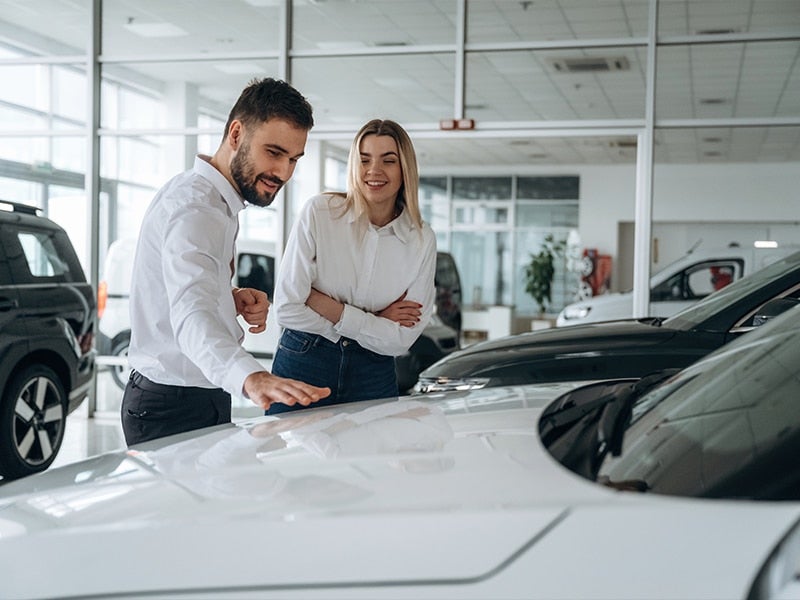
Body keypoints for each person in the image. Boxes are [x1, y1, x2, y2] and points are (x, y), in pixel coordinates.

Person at [122, 77, 330, 446]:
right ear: (236, 134)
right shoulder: (196, 208)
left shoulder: (211, 201)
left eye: (293, 159)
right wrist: (251, 378)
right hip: (173, 402)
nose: (283, 172)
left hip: (192, 392)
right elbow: (190, 314)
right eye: (274, 152)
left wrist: (227, 296)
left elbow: (180, 289)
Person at [266, 119, 437, 414]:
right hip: (305, 361)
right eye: (365, 159)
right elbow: (287, 308)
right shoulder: (320, 214)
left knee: (368, 459)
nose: (374, 170)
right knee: (291, 458)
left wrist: (328, 306)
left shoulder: (420, 239)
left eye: (389, 160)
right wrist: (374, 319)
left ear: (405, 169)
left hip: (372, 372)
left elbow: (400, 339)